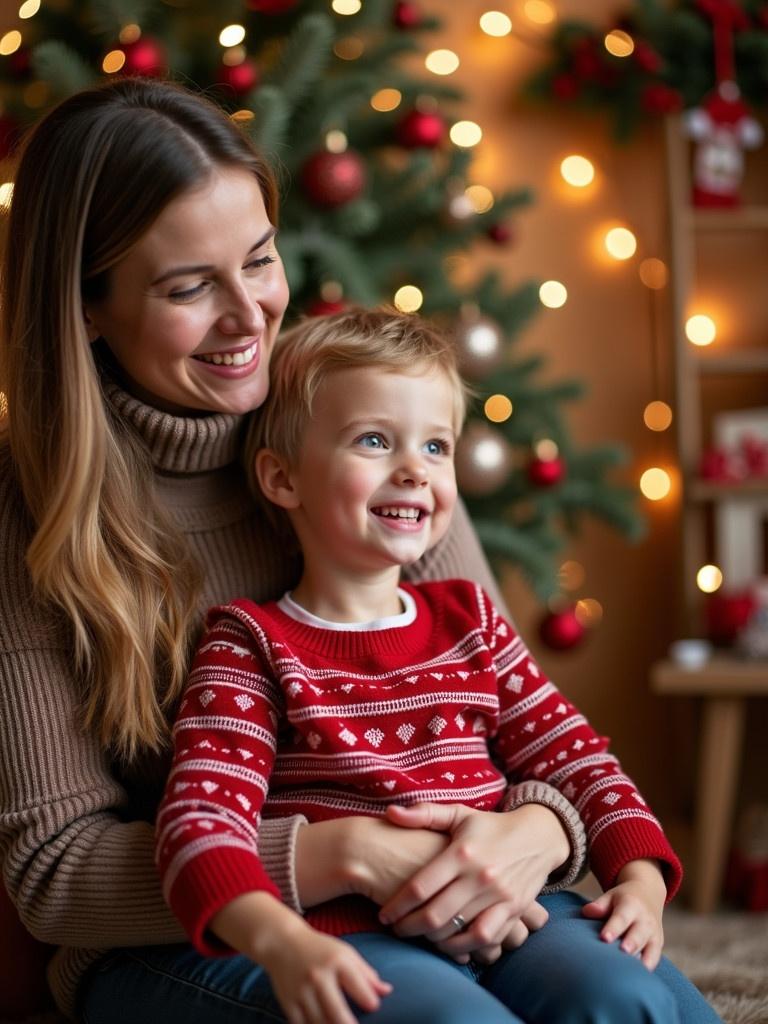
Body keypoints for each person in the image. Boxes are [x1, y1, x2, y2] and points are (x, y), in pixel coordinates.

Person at [0, 77, 598, 1024]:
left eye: (261, 260)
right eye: (188, 287)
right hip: (185, 945)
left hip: (427, 897)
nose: (250, 318)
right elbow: (54, 871)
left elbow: (505, 712)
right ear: (85, 307)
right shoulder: (24, 513)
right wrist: (338, 851)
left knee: (627, 1002)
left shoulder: (354, 417)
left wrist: (538, 829)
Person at [156, 309, 721, 1024]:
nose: (414, 471)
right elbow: (202, 821)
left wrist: (640, 881)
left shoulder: (472, 621)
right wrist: (282, 943)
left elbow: (578, 758)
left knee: (625, 995)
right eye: (373, 440)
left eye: (435, 445)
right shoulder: (250, 644)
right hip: (353, 930)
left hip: (517, 912)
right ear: (283, 477)